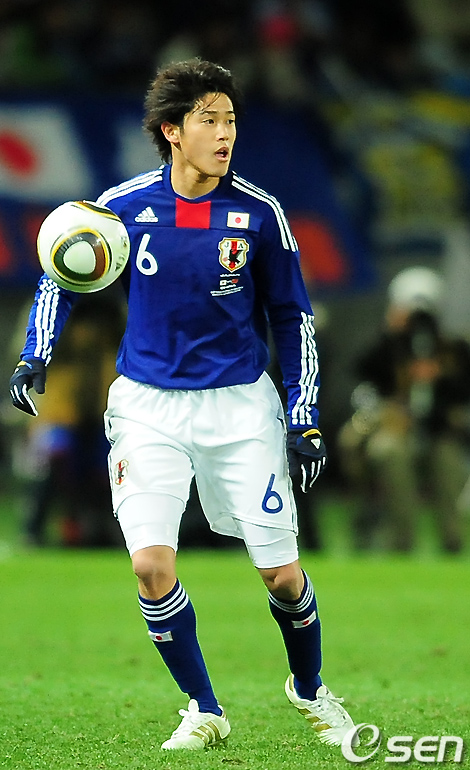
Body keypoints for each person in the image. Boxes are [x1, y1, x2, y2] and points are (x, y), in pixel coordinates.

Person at [9, 58, 357, 751]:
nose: (225, 134)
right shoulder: (123, 207)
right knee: (150, 566)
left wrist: (304, 416)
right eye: (209, 121)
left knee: (283, 577)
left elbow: (293, 318)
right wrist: (35, 353)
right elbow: (60, 276)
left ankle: (311, 688)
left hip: (240, 406)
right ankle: (204, 707)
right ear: (172, 131)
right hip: (146, 407)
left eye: (230, 121)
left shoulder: (258, 214)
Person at [338, 266, 470, 552]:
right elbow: (361, 370)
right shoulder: (389, 346)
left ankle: (452, 540)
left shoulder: (451, 348)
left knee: (449, 464)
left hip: (437, 432)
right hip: (395, 429)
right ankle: (401, 540)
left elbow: (462, 391)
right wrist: (390, 333)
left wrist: (440, 374)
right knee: (391, 455)